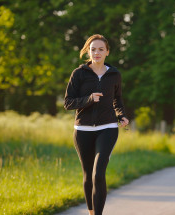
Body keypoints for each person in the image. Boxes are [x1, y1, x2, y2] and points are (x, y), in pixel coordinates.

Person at [64, 34, 129, 215]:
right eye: (93, 49)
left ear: (107, 52)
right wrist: (89, 99)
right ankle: (91, 212)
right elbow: (68, 102)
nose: (97, 52)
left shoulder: (114, 74)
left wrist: (121, 115)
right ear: (88, 52)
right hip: (82, 129)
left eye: (101, 49)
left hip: (107, 128)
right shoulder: (79, 74)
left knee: (98, 173)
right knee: (88, 176)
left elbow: (117, 100)